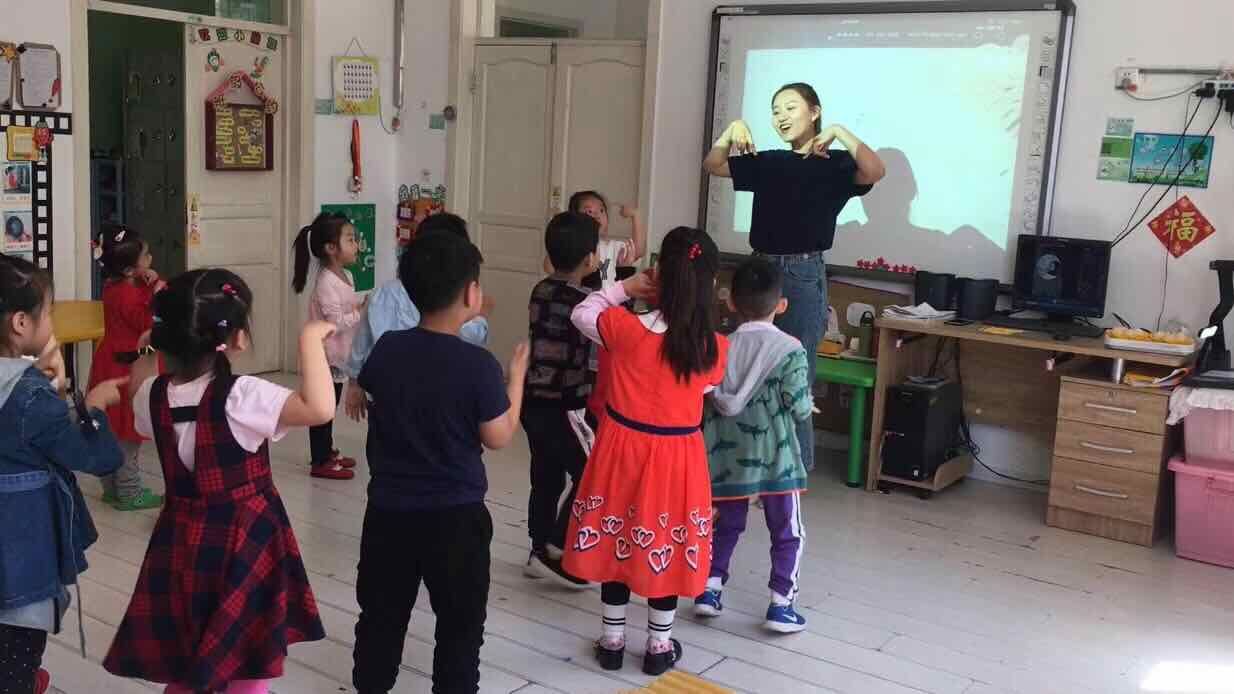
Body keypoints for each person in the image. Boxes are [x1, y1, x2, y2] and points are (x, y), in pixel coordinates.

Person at [103, 269, 330, 693]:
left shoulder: (152, 395)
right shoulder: (244, 396)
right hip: (245, 540)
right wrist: (311, 340)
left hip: (181, 541)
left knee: (189, 641)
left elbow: (136, 392)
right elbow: (319, 408)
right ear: (237, 338)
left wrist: (146, 350)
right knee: (244, 653)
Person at [351, 232, 529, 694]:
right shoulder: (478, 365)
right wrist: (516, 381)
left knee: (381, 617)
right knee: (459, 625)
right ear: (471, 293)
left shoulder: (388, 348)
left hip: (388, 513)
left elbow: (378, 392)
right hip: (456, 519)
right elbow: (499, 437)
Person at [562, 227, 728, 676]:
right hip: (678, 459)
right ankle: (659, 645)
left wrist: (624, 288)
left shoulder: (624, 328)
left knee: (616, 541)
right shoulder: (712, 348)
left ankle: (613, 641)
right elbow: (705, 389)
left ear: (657, 274)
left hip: (621, 452)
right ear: (710, 283)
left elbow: (583, 312)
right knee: (664, 545)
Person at [704, 81, 885, 473]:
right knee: (748, 368)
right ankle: (748, 463)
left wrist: (837, 132)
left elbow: (875, 170)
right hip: (760, 271)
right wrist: (732, 129)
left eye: (790, 107)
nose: (781, 117)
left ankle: (793, 473)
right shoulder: (769, 161)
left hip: (803, 273)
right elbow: (713, 165)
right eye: (775, 110)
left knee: (796, 373)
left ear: (814, 112)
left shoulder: (835, 164)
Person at [0, 254, 126, 694]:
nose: (51, 322)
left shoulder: (30, 392)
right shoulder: (32, 399)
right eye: (48, 313)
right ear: (20, 323)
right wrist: (93, 407)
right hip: (19, 563)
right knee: (16, 651)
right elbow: (99, 458)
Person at [695, 258, 814, 633]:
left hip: (725, 457)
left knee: (724, 525)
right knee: (787, 531)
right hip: (776, 459)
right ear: (782, 305)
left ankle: (709, 589)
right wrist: (807, 404)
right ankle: (781, 605)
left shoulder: (718, 347)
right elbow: (798, 408)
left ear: (731, 302)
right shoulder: (790, 349)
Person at [341, 212, 491, 422]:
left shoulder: (382, 293)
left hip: (386, 394)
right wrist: (480, 315)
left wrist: (354, 383)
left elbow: (361, 342)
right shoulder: (451, 299)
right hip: (436, 401)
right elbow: (471, 336)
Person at [522, 211, 600, 589]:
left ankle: (538, 547)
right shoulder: (587, 302)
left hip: (533, 400)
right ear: (590, 258)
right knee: (593, 473)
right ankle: (558, 546)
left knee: (546, 476)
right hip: (567, 405)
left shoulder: (540, 289)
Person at [87, 224, 165, 511]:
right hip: (127, 367)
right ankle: (130, 492)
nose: (150, 259)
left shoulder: (114, 287)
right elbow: (148, 322)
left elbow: (136, 305)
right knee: (128, 432)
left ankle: (112, 489)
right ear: (130, 269)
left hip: (109, 362)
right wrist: (158, 289)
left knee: (110, 429)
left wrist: (147, 282)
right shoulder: (128, 295)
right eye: (146, 256)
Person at [291, 212, 364, 480]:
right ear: (331, 248)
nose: (357, 245)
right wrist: (361, 312)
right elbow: (334, 323)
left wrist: (359, 308)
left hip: (338, 355)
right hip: (323, 357)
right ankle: (320, 460)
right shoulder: (325, 283)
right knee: (322, 409)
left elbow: (345, 312)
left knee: (329, 407)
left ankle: (326, 451)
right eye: (350, 240)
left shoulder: (346, 275)